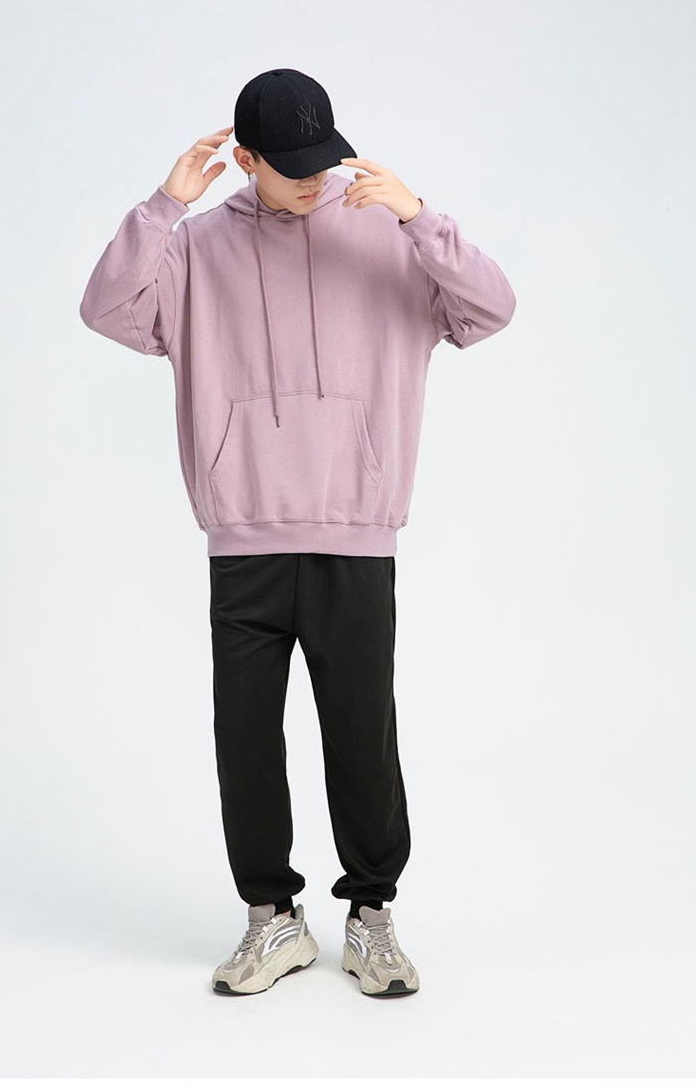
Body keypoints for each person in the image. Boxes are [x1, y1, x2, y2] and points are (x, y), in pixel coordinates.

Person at [79, 67, 516, 997]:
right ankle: (271, 918)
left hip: (356, 530)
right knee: (245, 740)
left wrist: (420, 218)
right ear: (246, 160)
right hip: (244, 534)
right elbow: (107, 310)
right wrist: (163, 206)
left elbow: (490, 309)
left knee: (363, 736)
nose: (316, 177)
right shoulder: (195, 249)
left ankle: (372, 916)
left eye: (325, 158)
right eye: (293, 165)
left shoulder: (385, 236)